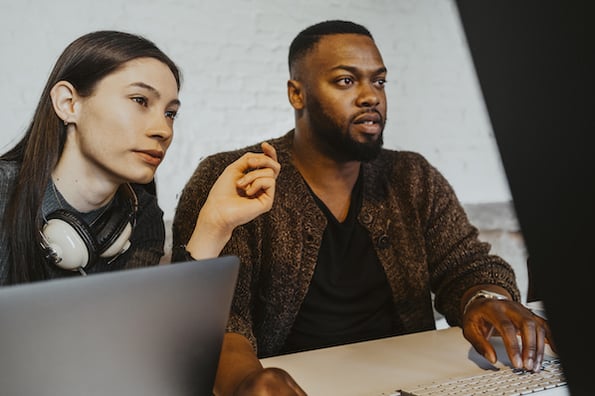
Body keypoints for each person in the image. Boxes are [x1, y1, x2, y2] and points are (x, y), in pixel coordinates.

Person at [172, 20, 554, 395]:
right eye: (346, 80)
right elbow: (219, 318)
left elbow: (467, 266)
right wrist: (245, 383)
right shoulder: (238, 178)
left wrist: (484, 299)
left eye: (379, 81)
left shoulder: (412, 175)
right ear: (297, 94)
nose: (371, 96)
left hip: (414, 380)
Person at [0, 30, 279, 285]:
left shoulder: (142, 216)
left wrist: (215, 224)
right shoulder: (4, 191)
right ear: (68, 104)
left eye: (170, 113)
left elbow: (157, 331)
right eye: (140, 100)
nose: (162, 130)